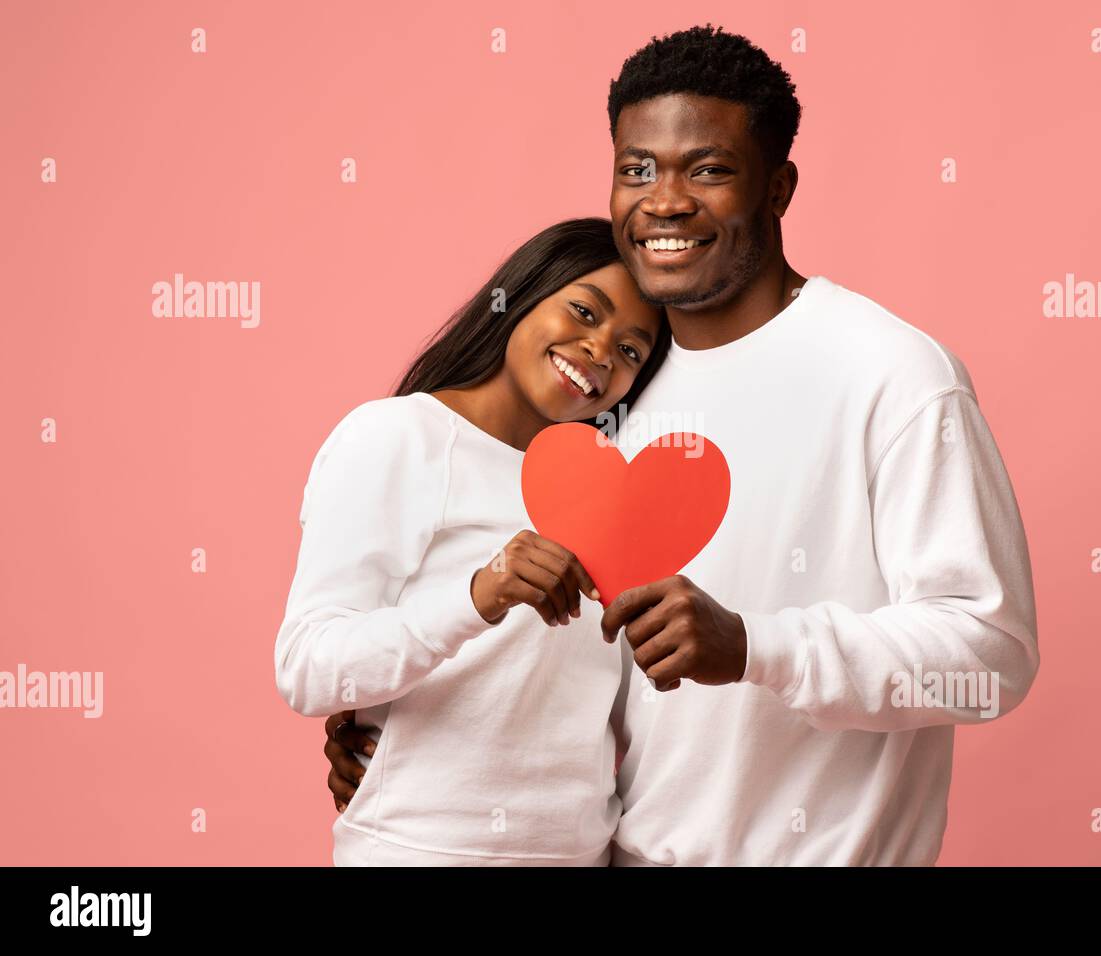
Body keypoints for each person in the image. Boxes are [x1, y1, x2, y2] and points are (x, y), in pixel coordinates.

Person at [325, 25, 1040, 866]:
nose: (663, 201)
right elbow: (549, 643)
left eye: (707, 169)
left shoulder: (894, 375)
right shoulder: (611, 386)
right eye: (637, 169)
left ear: (778, 188)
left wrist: (754, 646)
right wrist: (402, 733)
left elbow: (991, 657)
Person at [275, 217, 668, 865]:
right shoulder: (398, 438)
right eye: (583, 310)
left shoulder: (613, 492)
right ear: (522, 292)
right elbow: (308, 668)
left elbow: (609, 703)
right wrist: (477, 597)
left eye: (631, 351)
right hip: (420, 848)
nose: (601, 350)